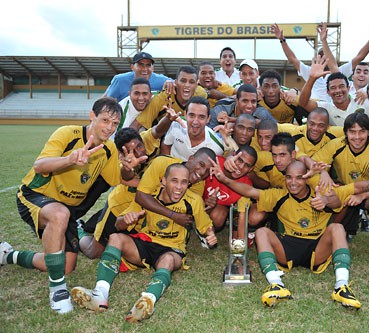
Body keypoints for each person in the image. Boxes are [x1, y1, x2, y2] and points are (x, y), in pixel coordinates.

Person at [211, 158, 369, 309]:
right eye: (289, 177)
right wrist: (223, 178)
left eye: (299, 177)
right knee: (262, 232)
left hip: (317, 249)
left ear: (306, 177)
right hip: (287, 248)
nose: (293, 182)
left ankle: (341, 286)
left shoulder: (323, 192)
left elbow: (359, 186)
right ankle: (276, 284)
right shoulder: (279, 195)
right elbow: (249, 191)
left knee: (337, 228)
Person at [0, 97, 122, 314]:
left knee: (63, 266)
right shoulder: (67, 134)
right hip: (35, 195)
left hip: (66, 210)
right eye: (105, 120)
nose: (110, 128)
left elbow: (117, 181)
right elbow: (40, 166)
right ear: (92, 116)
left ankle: (7, 255)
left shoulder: (109, 149)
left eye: (115, 124)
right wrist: (70, 160)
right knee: (60, 214)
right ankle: (57, 290)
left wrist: (132, 168)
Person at [71, 163, 217, 323]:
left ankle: (148, 301)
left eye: (184, 182)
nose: (179, 187)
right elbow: (118, 224)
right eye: (174, 181)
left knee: (167, 261)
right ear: (163, 181)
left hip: (171, 249)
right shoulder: (148, 196)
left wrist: (210, 234)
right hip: (144, 244)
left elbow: (205, 224)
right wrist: (125, 220)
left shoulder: (193, 201)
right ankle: (100, 294)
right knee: (116, 238)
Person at [79, 116, 175, 259]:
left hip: (140, 206)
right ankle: (80, 230)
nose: (138, 153)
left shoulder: (146, 139)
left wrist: (169, 118)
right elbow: (128, 177)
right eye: (131, 151)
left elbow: (157, 130)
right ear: (121, 153)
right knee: (95, 252)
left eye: (139, 147)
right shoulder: (119, 162)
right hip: (119, 206)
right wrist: (128, 167)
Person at [311, 112, 369, 267]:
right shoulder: (336, 144)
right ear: (346, 133)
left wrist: (361, 196)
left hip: (365, 192)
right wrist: (323, 172)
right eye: (352, 132)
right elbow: (313, 163)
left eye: (362, 131)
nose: (357, 137)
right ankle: (324, 235)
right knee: (323, 191)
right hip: (342, 190)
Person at [271, 18, 369, 102]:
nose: (323, 58)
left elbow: (360, 56)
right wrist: (282, 40)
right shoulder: (310, 72)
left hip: (334, 110)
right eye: (320, 55)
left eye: (326, 55)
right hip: (313, 110)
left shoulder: (339, 72)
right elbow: (292, 59)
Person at [299, 56, 369, 126]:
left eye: (341, 86)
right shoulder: (327, 108)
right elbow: (303, 103)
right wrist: (312, 78)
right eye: (333, 88)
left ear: (348, 88)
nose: (338, 90)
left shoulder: (362, 101)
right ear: (328, 92)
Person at [203, 145, 257, 239]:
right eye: (240, 160)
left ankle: (205, 233)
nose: (240, 167)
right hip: (195, 203)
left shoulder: (245, 185)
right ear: (233, 156)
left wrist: (241, 245)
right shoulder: (215, 162)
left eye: (247, 165)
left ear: (250, 169)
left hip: (214, 209)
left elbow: (242, 216)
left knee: (219, 215)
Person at [131, 66, 207, 129]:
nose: (187, 85)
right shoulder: (162, 99)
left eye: (191, 82)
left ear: (197, 84)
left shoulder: (201, 94)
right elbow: (137, 124)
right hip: (162, 135)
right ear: (176, 83)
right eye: (183, 81)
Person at [104, 52, 172, 102]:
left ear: (153, 68)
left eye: (148, 65)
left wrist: (170, 81)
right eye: (141, 65)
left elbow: (178, 82)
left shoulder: (161, 80)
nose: (145, 69)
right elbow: (106, 100)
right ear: (132, 67)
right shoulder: (120, 80)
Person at [277, 107, 344, 157]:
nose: (315, 128)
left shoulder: (333, 133)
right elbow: (271, 125)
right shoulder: (295, 132)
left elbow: (352, 130)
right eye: (312, 124)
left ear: (327, 126)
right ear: (307, 122)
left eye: (321, 125)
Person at [208, 84, 276, 129]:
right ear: (237, 101)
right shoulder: (220, 109)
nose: (249, 106)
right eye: (245, 101)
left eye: (253, 101)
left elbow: (274, 128)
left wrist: (233, 122)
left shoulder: (261, 112)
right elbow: (208, 135)